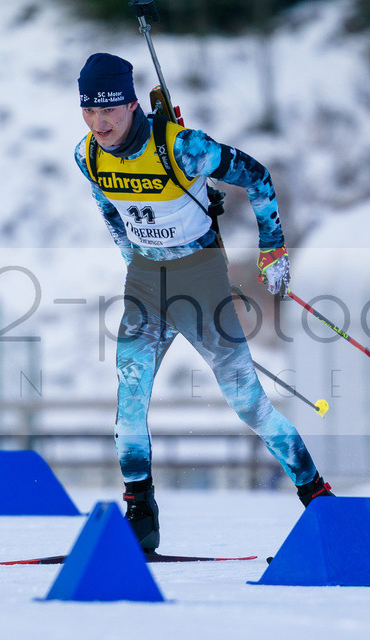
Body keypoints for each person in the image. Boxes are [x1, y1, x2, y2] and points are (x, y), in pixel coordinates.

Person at [74, 53, 333, 552]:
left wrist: (273, 246)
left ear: (133, 105)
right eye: (89, 110)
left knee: (248, 403)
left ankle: (318, 497)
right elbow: (109, 207)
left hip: (200, 278)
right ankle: (140, 514)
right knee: (129, 403)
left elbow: (256, 175)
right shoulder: (88, 155)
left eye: (109, 109)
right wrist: (132, 256)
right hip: (146, 283)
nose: (99, 122)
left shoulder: (183, 147)